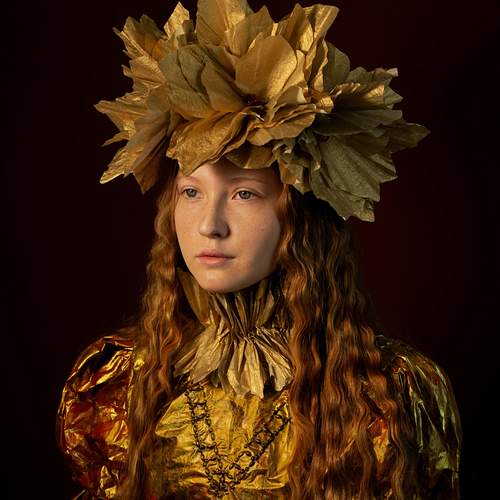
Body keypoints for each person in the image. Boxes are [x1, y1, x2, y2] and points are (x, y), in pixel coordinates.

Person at [56, 1, 462, 498]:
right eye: (191, 192)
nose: (210, 225)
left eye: (244, 194)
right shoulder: (121, 382)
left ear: (302, 218)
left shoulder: (389, 392)